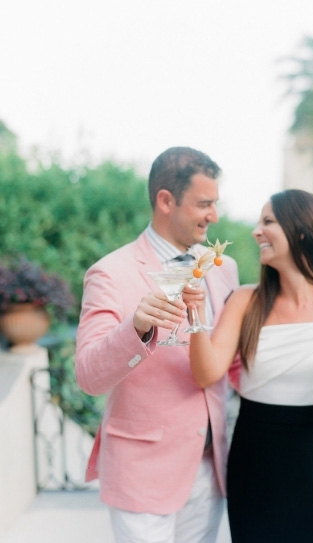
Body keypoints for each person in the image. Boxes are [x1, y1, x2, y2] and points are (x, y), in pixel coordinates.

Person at [185, 189, 313, 542]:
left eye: (268, 222)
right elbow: (206, 373)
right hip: (254, 463)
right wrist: (196, 314)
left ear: (301, 230)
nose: (256, 231)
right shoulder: (245, 301)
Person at [75, 146, 239, 543]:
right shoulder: (110, 273)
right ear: (166, 200)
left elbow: (229, 359)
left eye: (214, 203)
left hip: (209, 468)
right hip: (142, 471)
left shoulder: (223, 268)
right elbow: (88, 375)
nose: (213, 216)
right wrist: (137, 326)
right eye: (204, 203)